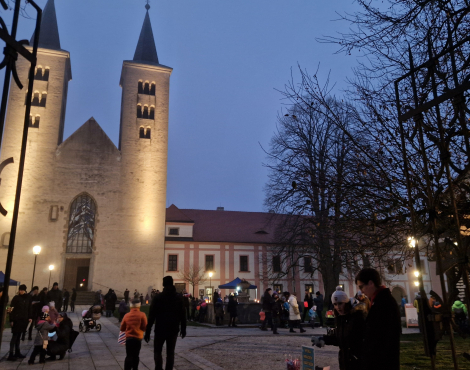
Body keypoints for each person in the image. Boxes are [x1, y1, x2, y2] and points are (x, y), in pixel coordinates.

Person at [355, 268, 401, 370]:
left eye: (362, 286)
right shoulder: (379, 301)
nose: (361, 291)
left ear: (371, 283)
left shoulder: (384, 303)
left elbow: (382, 337)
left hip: (381, 362)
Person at [312, 287, 366, 370]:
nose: (338, 307)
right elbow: (339, 338)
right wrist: (323, 339)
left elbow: (357, 339)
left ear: (346, 303)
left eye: (340, 303)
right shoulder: (339, 317)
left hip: (357, 361)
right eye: (335, 304)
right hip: (344, 360)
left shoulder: (357, 317)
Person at [144, 276, 186, 370]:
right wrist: (183, 328)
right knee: (170, 353)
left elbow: (151, 315)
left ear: (164, 284)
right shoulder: (178, 297)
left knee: (157, 351)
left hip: (160, 328)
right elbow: (183, 314)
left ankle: (158, 368)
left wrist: (148, 331)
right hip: (173, 328)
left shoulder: (158, 297)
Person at [121, 298, 148, 370]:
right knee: (136, 355)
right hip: (138, 338)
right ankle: (135, 368)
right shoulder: (142, 315)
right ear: (139, 306)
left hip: (129, 338)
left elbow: (122, 328)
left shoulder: (126, 315)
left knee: (128, 355)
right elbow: (145, 327)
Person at [8, 284, 32, 360]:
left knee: (19, 337)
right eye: (20, 290)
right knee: (14, 337)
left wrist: (30, 317)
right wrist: (11, 320)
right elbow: (10, 309)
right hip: (16, 320)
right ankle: (11, 354)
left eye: (22, 290)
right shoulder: (16, 298)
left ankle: (17, 352)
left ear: (25, 290)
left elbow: (29, 308)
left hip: (23, 320)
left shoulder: (27, 298)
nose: (20, 291)